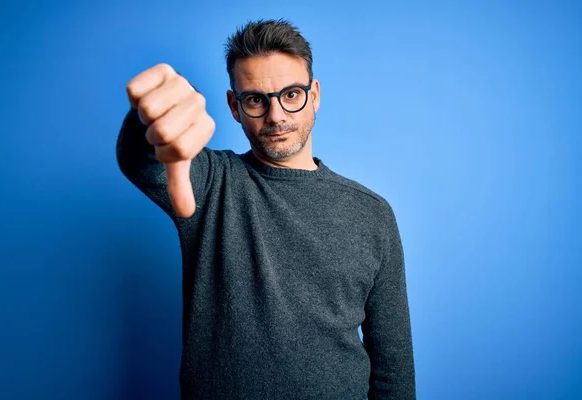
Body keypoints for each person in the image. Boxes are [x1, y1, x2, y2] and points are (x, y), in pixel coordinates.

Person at [116, 18, 416, 400]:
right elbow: (143, 159)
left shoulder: (372, 214)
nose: (276, 116)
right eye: (256, 99)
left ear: (315, 94)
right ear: (234, 106)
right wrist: (159, 114)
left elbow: (394, 370)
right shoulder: (212, 181)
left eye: (292, 94)